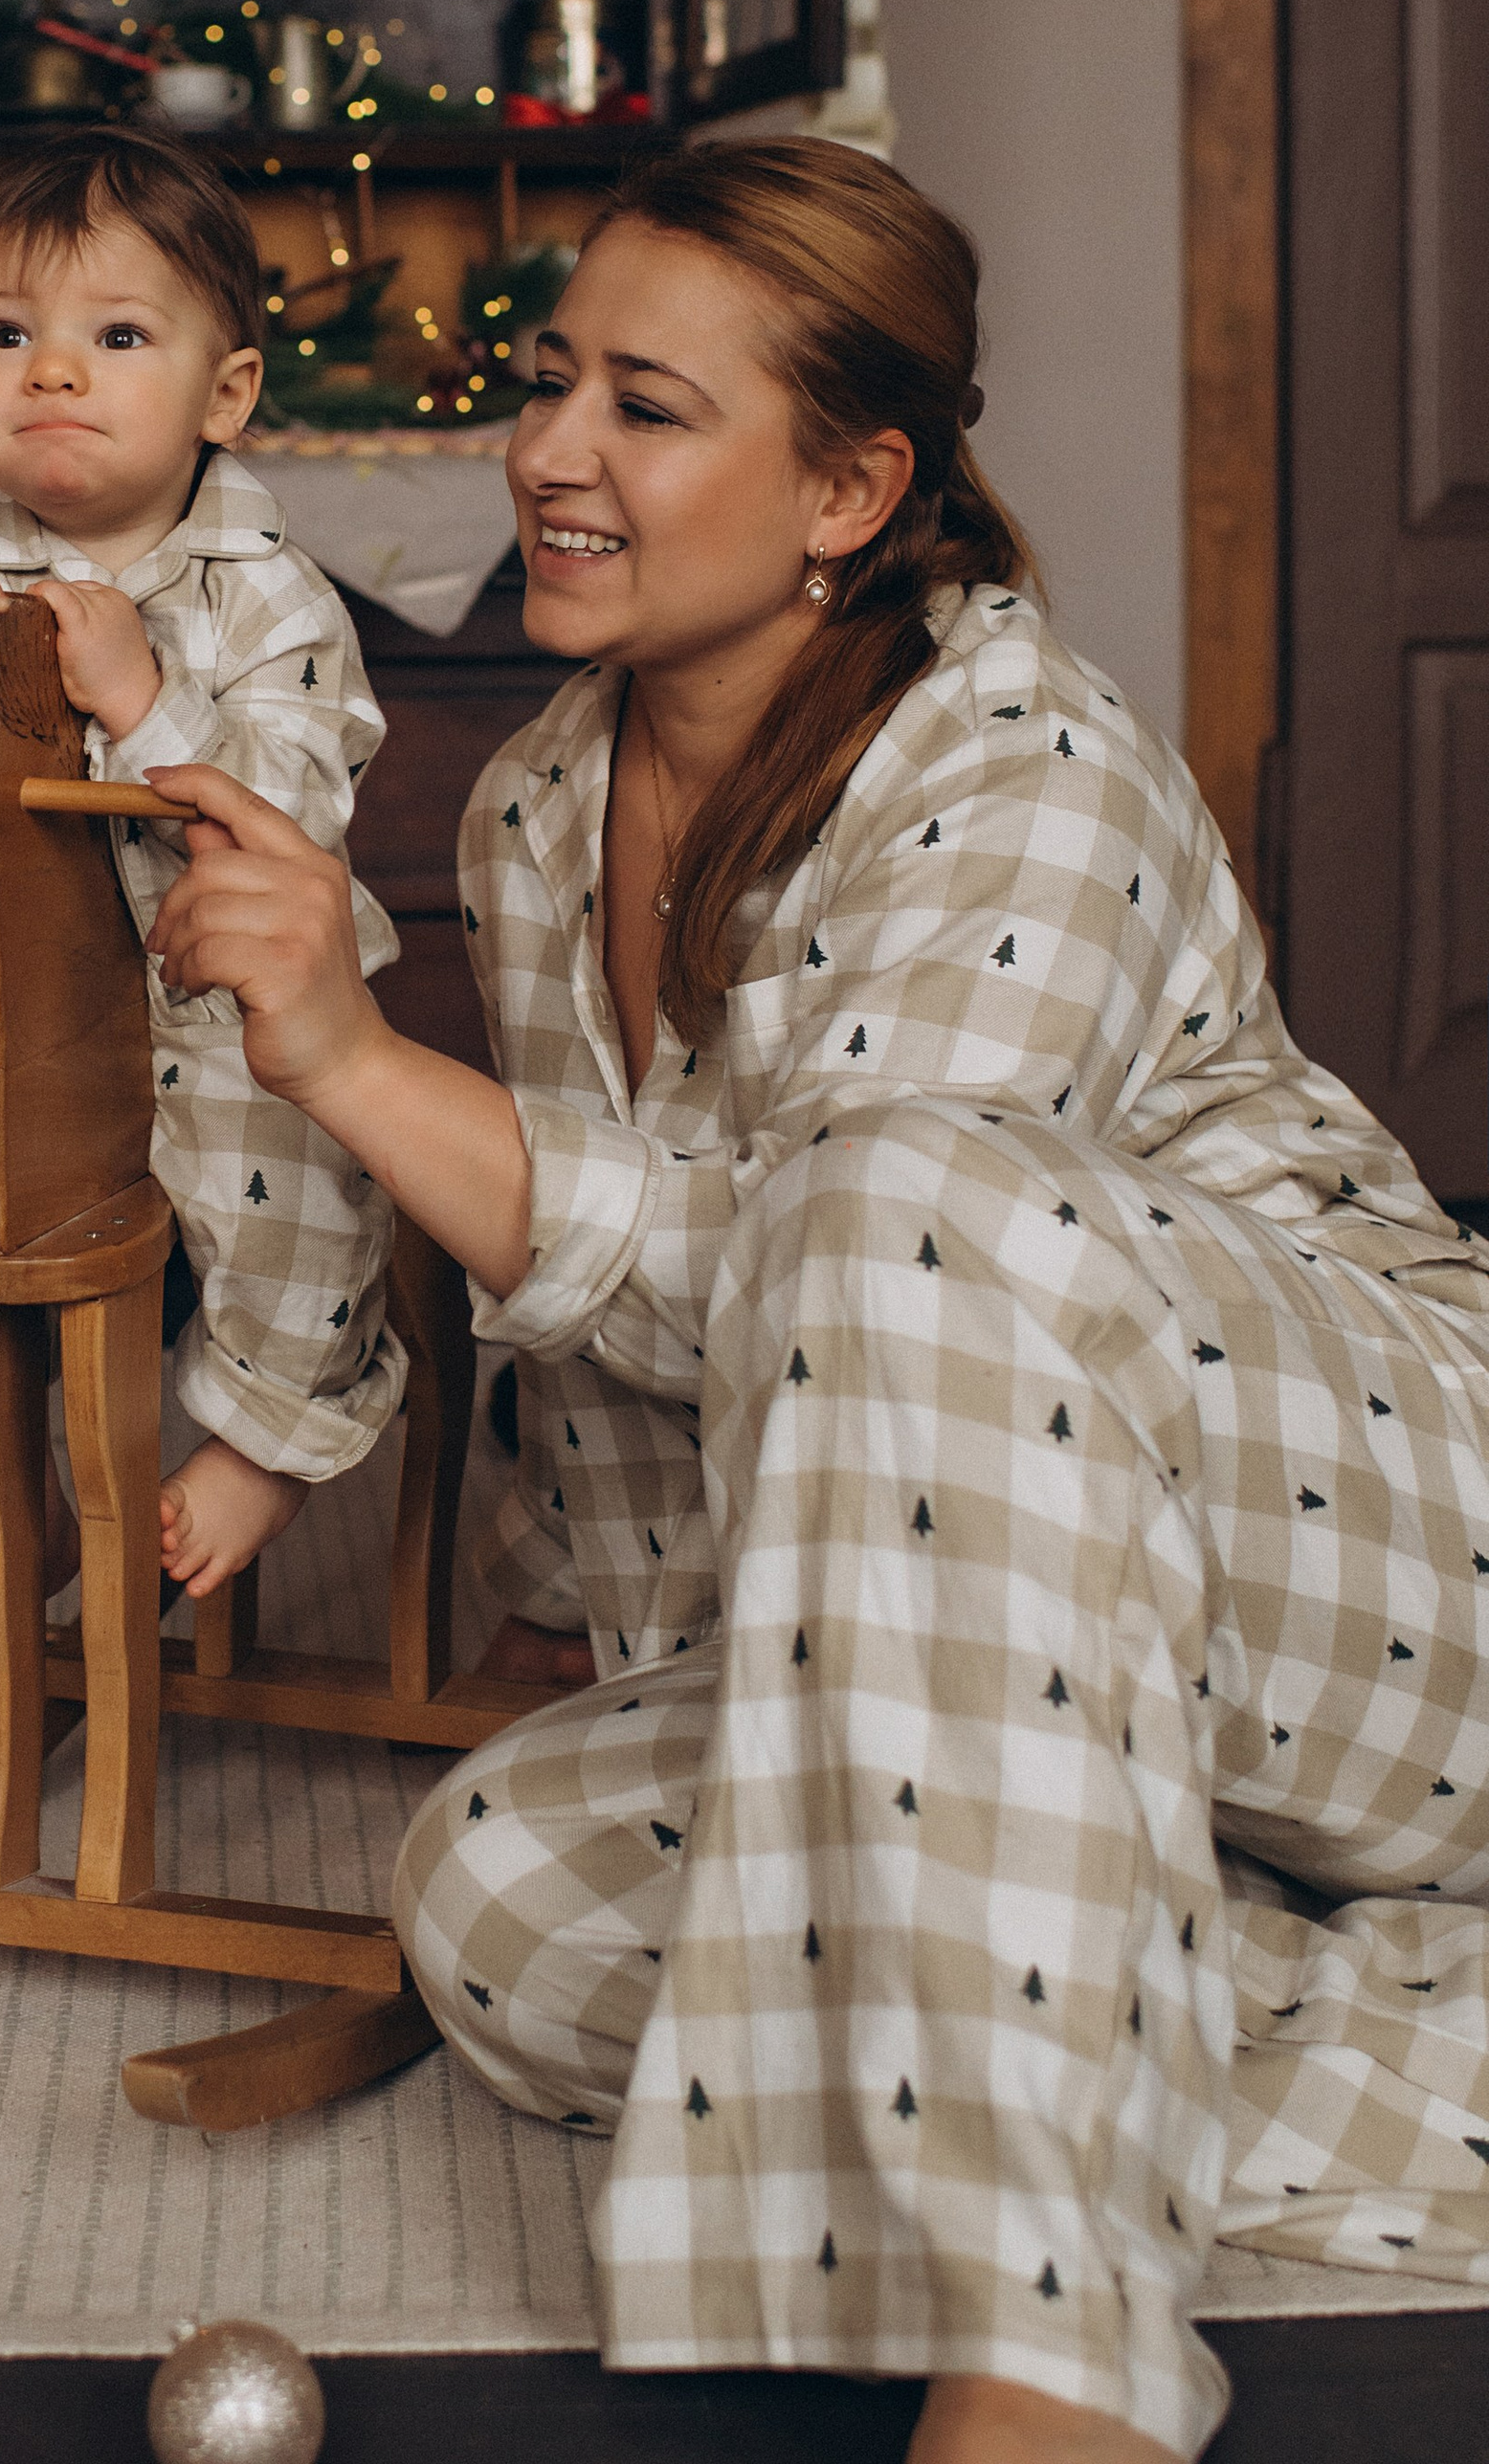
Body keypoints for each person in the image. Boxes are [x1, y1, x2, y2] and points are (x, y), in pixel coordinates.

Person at [142, 140, 1489, 2464]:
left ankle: (1052, 2345)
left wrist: (357, 1062)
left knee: (884, 1192)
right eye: (548, 374)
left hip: (1376, 1561)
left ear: (848, 483)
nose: (549, 449)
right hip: (1038, 1667)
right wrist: (566, 1593)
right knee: (499, 1902)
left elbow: (812, 1272)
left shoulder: (1016, 765)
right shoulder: (534, 802)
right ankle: (1237, 1997)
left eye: (642, 407)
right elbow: (607, 1353)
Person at [0, 130, 400, 1685]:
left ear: (225, 392)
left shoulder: (263, 587)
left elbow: (290, 816)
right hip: (21, 1003)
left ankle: (265, 1446)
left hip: (245, 1000)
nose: (54, 371)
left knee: (305, 1185)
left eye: (117, 336)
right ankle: (20, 1520)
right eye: (10, 335)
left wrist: (140, 694)